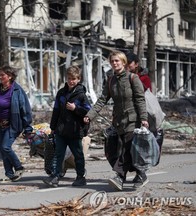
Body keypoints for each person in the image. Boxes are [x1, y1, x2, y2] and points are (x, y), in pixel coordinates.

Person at [83, 50, 149, 191]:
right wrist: (90, 115)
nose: (114, 63)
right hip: (119, 121)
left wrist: (143, 118)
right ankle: (141, 174)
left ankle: (120, 177)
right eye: (112, 61)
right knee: (124, 149)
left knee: (126, 148)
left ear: (123, 62)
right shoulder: (111, 80)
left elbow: (140, 99)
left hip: (133, 120)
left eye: (117, 61)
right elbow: (102, 100)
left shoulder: (133, 78)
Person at [43, 65, 91, 187]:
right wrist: (53, 128)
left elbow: (88, 111)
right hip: (61, 130)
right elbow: (56, 111)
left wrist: (76, 108)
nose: (71, 81)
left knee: (78, 155)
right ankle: (56, 176)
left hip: (75, 130)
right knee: (59, 154)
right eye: (69, 78)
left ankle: (80, 177)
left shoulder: (81, 95)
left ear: (78, 79)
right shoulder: (61, 93)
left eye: (74, 79)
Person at [0, 65, 33, 183]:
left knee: (5, 147)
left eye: (3, 75)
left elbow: (25, 109)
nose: (0, 77)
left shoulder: (17, 90)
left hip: (13, 124)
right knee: (3, 151)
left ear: (10, 76)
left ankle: (19, 167)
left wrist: (27, 127)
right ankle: (9, 174)